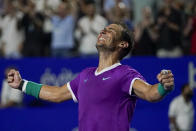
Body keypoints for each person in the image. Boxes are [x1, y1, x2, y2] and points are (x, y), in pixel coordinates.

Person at [7, 23, 174, 131]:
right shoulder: (85, 75)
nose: (103, 31)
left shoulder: (125, 74)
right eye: (104, 29)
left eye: (110, 31)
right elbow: (57, 94)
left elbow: (150, 94)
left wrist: (163, 87)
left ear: (122, 44)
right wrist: (22, 84)